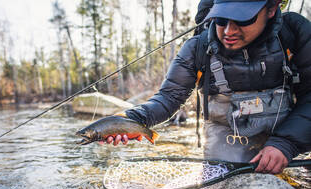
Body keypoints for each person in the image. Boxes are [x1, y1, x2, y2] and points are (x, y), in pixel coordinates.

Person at [103, 0, 311, 175]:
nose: (229, 31)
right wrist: (130, 120)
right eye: (220, 19)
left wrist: (286, 144)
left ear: (271, 8)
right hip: (225, 147)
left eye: (243, 19)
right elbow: (168, 98)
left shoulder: (294, 33)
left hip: (292, 145)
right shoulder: (197, 48)